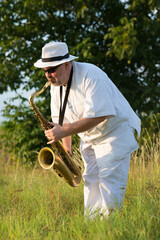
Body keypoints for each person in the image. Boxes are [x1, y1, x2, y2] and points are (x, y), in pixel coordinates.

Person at [34, 41, 141, 218]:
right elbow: (63, 122)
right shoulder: (55, 86)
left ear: (67, 64)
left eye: (52, 69)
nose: (48, 75)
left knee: (109, 183)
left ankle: (110, 228)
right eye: (45, 70)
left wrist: (64, 132)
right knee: (90, 181)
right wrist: (66, 149)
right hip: (90, 137)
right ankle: (91, 229)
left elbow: (101, 115)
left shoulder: (91, 75)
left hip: (114, 134)